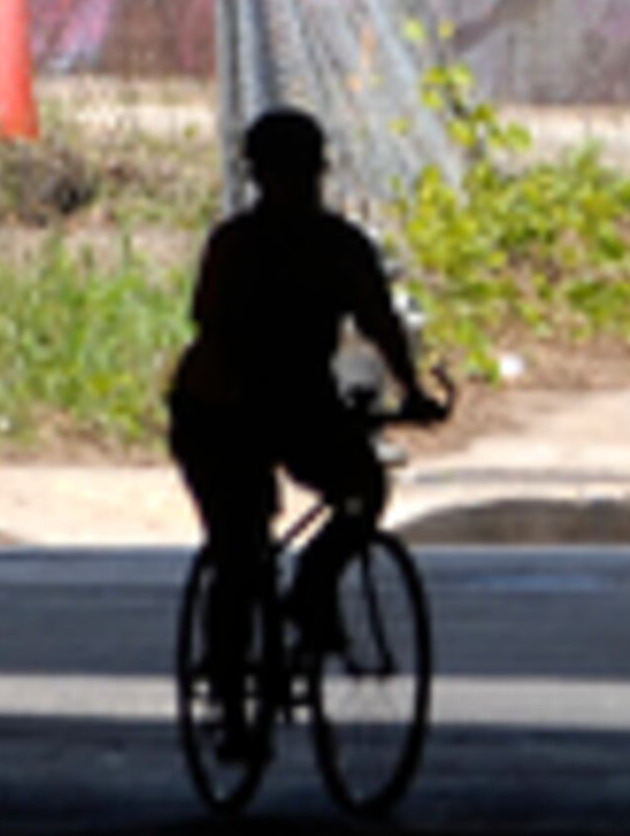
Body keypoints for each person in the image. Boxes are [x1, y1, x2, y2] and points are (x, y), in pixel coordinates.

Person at [167, 108, 446, 656]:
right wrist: (411, 393)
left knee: (341, 499)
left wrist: (410, 387)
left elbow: (378, 324)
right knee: (252, 540)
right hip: (231, 412)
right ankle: (243, 667)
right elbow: (379, 324)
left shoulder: (240, 242)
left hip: (243, 406)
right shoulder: (332, 246)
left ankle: (303, 598)